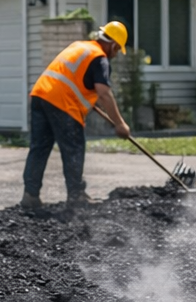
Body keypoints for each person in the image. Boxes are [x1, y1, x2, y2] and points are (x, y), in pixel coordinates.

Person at [22, 20, 132, 209]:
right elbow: (104, 93)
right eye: (117, 50)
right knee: (73, 149)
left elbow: (76, 80)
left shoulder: (80, 46)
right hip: (62, 103)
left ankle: (30, 196)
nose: (115, 54)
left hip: (40, 95)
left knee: (39, 148)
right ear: (114, 45)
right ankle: (76, 196)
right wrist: (120, 124)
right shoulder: (99, 58)